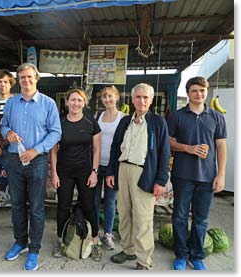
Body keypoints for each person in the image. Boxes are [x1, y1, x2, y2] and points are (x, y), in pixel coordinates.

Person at [0, 63, 61, 270]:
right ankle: (20, 242)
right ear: (19, 80)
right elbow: (3, 125)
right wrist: (7, 133)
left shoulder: (48, 103)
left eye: (29, 77)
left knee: (36, 207)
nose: (26, 81)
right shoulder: (11, 103)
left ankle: (34, 249)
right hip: (14, 160)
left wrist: (36, 150)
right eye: (22, 77)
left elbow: (55, 132)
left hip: (37, 161)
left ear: (37, 78)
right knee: (16, 204)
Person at [106, 83, 170, 270]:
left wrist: (160, 181)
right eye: (138, 97)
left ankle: (143, 259)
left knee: (143, 218)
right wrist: (111, 171)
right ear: (132, 99)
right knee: (124, 214)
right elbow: (115, 147)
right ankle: (128, 249)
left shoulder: (158, 122)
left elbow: (164, 153)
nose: (142, 101)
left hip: (144, 172)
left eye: (145, 97)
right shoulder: (125, 121)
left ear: (150, 100)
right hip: (123, 170)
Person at [167, 76, 227, 271]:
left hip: (208, 177)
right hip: (182, 175)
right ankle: (181, 254)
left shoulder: (217, 117)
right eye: (194, 91)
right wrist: (188, 148)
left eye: (202, 90)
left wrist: (221, 175)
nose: (199, 94)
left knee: (201, 219)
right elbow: (168, 141)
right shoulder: (177, 116)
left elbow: (221, 146)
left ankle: (197, 255)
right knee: (180, 216)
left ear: (206, 92)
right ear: (188, 93)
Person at [50, 88, 102, 261]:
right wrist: (54, 173)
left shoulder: (91, 123)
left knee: (89, 206)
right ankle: (61, 240)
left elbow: (96, 149)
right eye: (73, 100)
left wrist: (94, 172)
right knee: (63, 207)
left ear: (84, 103)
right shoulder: (60, 123)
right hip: (64, 172)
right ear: (67, 102)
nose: (76, 103)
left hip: (85, 171)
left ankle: (95, 240)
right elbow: (54, 150)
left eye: (79, 100)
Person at [94, 86, 126, 250]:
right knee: (93, 200)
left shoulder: (123, 117)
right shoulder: (98, 116)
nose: (107, 99)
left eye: (110, 96)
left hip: (113, 166)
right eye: (104, 96)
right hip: (97, 164)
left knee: (110, 202)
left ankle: (107, 234)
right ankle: (93, 233)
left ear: (117, 98)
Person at [0, 69, 16, 205]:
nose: (3, 85)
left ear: (11, 84)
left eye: (6, 82)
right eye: (0, 82)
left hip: (12, 143)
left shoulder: (16, 101)